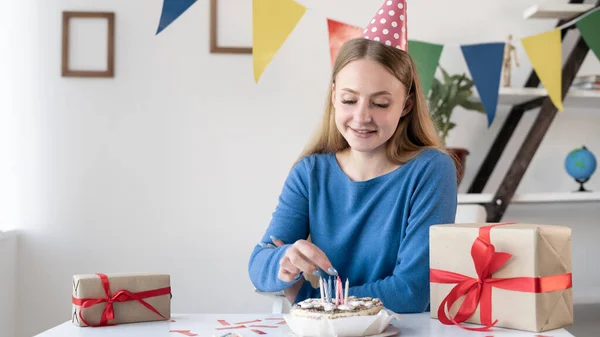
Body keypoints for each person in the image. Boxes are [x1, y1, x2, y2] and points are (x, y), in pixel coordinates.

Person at [248, 0, 457, 314]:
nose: (362, 116)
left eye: (381, 104)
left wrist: (310, 299)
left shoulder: (430, 170)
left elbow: (411, 291)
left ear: (407, 106)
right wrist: (285, 259)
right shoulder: (311, 172)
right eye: (349, 99)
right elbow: (259, 264)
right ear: (334, 97)